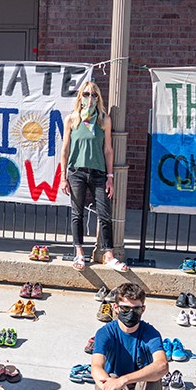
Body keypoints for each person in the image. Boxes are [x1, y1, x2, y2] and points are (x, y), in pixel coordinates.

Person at [60, 81, 126, 271]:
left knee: (105, 214)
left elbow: (108, 150)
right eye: (87, 94)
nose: (90, 98)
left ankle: (109, 255)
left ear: (99, 98)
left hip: (98, 172)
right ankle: (79, 253)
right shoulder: (72, 119)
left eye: (94, 95)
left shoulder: (103, 119)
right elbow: (65, 150)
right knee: (77, 213)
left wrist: (110, 176)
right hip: (76, 171)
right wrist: (63, 177)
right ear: (81, 96)